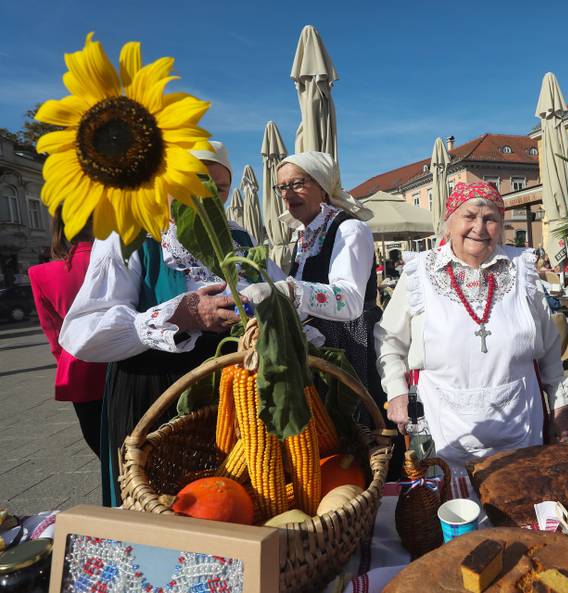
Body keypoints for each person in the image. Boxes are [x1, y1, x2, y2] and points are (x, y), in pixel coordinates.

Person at [60, 141, 273, 506]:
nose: (208, 196)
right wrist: (181, 314)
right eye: (197, 182)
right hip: (152, 390)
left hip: (225, 392)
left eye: (220, 189)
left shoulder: (237, 237)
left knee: (223, 499)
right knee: (157, 501)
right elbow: (84, 331)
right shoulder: (130, 233)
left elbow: (270, 290)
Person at [375, 181, 568, 470]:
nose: (479, 227)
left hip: (519, 426)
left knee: (518, 501)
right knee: (450, 508)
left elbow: (550, 350)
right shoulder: (420, 272)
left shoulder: (523, 269)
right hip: (444, 425)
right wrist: (396, 391)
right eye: (469, 216)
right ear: (448, 223)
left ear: (501, 225)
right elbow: (389, 340)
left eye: (490, 219)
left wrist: (561, 407)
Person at [244, 151, 386, 414]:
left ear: (322, 187)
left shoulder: (349, 229)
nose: (287, 193)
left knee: (357, 428)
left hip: (350, 345)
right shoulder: (306, 234)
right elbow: (304, 287)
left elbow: (349, 300)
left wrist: (288, 290)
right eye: (282, 187)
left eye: (297, 183)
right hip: (319, 348)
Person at [28, 215, 107, 457]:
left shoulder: (40, 273)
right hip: (131, 364)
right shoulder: (120, 259)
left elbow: (54, 336)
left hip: (80, 369)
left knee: (104, 451)